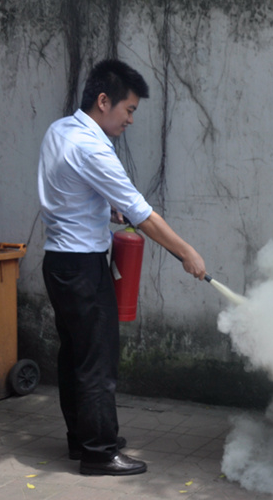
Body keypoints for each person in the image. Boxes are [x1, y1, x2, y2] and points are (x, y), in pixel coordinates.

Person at [37, 59, 206, 476]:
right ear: (103, 101)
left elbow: (70, 192)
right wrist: (186, 252)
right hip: (82, 268)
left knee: (75, 356)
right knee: (97, 361)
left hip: (59, 263)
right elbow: (141, 212)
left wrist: (102, 212)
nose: (130, 119)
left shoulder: (60, 130)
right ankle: (99, 452)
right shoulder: (93, 147)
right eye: (128, 109)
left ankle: (82, 438)